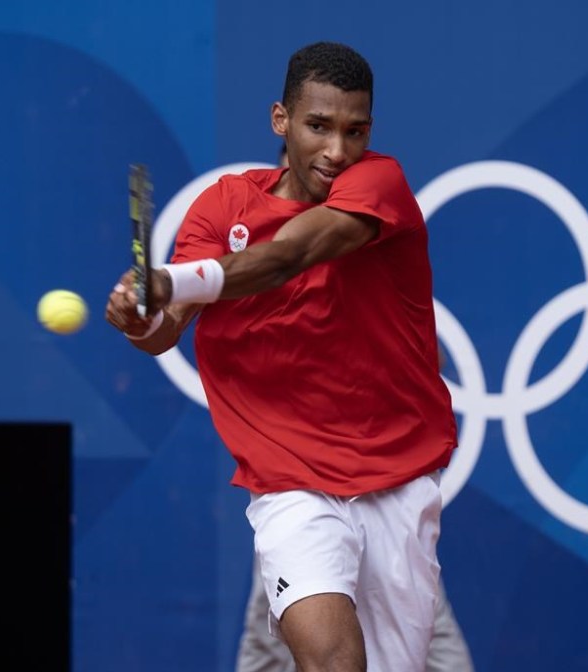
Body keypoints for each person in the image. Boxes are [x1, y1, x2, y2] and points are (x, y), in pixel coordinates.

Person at [105, 42, 459, 672]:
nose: (337, 151)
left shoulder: (381, 185)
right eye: (318, 126)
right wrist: (142, 317)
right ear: (281, 120)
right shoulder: (223, 205)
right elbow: (166, 331)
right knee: (332, 663)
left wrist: (172, 281)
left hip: (398, 478)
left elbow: (288, 255)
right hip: (290, 482)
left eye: (355, 131)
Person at [234, 143, 475, 672]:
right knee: (283, 644)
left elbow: (417, 367)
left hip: (383, 491)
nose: (329, 164)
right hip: (297, 485)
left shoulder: (377, 253)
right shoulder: (259, 259)